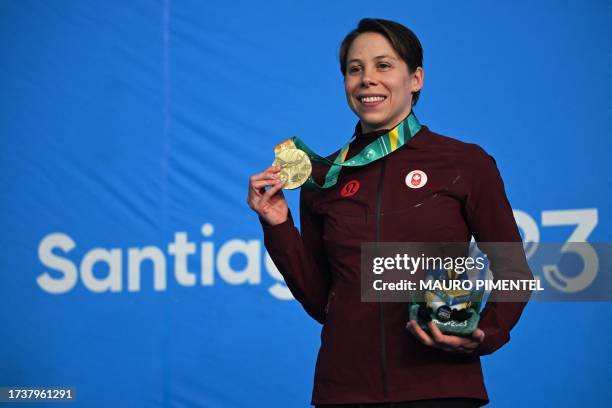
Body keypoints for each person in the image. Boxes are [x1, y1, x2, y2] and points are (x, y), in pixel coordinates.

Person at [247, 18, 531, 408]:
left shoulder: (465, 163)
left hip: (441, 389)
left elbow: (514, 269)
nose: (367, 79)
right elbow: (320, 301)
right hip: (344, 392)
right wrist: (278, 225)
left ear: (415, 79)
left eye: (384, 65)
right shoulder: (323, 177)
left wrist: (484, 332)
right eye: (355, 68)